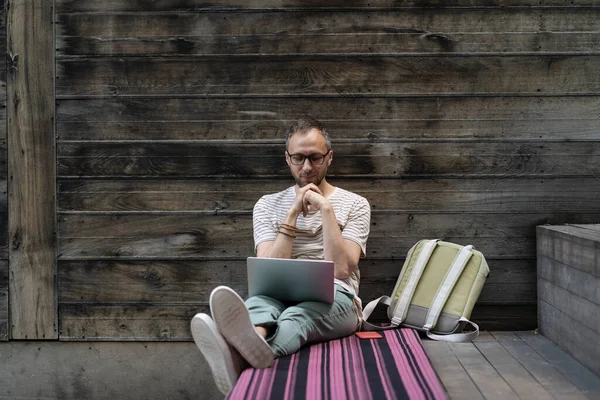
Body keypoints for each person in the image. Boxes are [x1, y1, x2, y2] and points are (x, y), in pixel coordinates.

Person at [190, 117, 371, 395]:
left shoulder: (356, 204)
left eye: (315, 158)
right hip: (277, 292)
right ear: (288, 159)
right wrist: (292, 214)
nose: (307, 167)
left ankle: (234, 360)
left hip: (338, 298)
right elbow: (269, 264)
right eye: (299, 158)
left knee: (297, 316)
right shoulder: (267, 205)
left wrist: (326, 210)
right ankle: (257, 339)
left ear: (329, 157)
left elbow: (341, 270)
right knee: (258, 305)